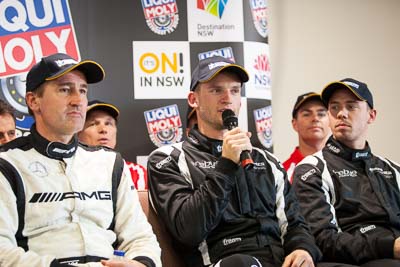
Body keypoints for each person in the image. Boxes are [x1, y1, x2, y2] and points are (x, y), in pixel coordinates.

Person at [147, 56, 322, 267]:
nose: (227, 98)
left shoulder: (267, 161)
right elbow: (188, 230)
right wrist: (227, 165)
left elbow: (294, 222)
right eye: (216, 90)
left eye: (235, 90)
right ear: (194, 100)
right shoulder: (167, 159)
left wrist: (302, 249)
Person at [0, 53, 160, 267]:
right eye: (65, 89)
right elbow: (2, 251)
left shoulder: (109, 162)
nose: (77, 101)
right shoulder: (7, 163)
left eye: (82, 90)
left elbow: (140, 236)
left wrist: (141, 263)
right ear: (33, 101)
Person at [292, 78, 400, 266]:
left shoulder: (393, 169)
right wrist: (390, 247)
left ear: (371, 115)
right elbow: (322, 240)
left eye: (351, 107)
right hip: (362, 259)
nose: (341, 113)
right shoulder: (311, 169)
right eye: (334, 108)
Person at [78, 100, 147, 190]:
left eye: (108, 123)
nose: (103, 129)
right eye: (93, 124)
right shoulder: (69, 171)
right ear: (78, 132)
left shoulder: (137, 173)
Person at [283, 92, 330, 182]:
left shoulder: (344, 166)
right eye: (306, 114)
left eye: (321, 114)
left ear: (330, 121)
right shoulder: (283, 172)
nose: (315, 118)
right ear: (294, 124)